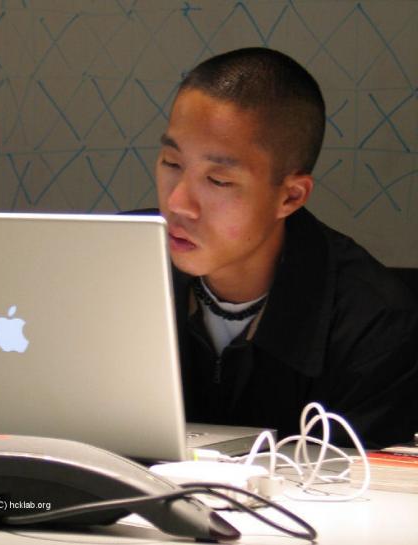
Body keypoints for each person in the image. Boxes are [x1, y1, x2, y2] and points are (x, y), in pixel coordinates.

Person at [151, 47, 418, 448]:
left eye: (218, 181)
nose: (177, 204)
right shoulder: (114, 260)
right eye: (172, 163)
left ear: (290, 197)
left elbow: (364, 493)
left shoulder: (374, 325)